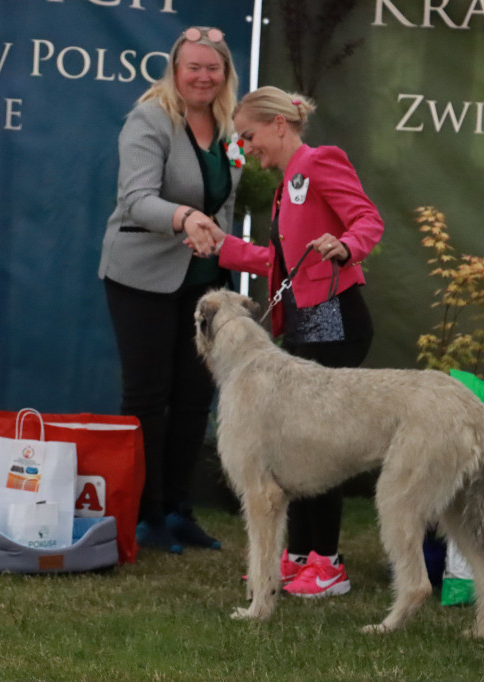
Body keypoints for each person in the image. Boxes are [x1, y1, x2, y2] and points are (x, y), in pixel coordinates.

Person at [195, 86, 384, 596]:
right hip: (305, 324)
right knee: (298, 443)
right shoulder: (286, 185)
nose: (246, 147)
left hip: (337, 321)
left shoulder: (321, 162)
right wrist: (224, 246)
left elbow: (368, 219)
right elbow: (284, 264)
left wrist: (346, 246)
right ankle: (300, 555)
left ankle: (327, 563)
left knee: (318, 445)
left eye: (249, 136)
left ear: (280, 125)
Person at [98, 27, 242, 554]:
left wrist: (222, 246)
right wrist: (184, 217)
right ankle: (143, 514)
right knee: (147, 394)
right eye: (193, 67)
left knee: (194, 398)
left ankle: (180, 511)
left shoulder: (228, 125)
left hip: (205, 282)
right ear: (175, 71)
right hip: (142, 273)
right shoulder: (149, 119)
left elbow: (225, 201)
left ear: (225, 74)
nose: (203, 77)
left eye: (213, 68)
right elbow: (136, 199)